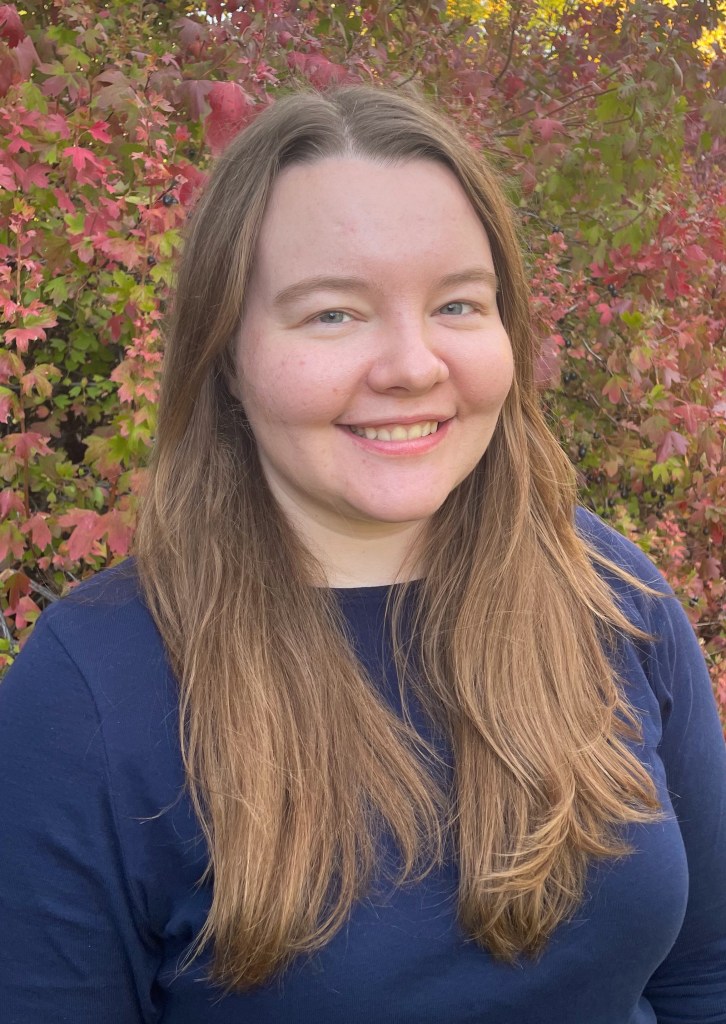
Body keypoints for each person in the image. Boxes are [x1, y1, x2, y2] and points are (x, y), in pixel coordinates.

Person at [0, 85, 724, 1024]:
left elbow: (704, 975)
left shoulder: (609, 590)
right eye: (334, 315)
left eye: (459, 304)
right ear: (226, 354)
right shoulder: (89, 690)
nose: (413, 365)